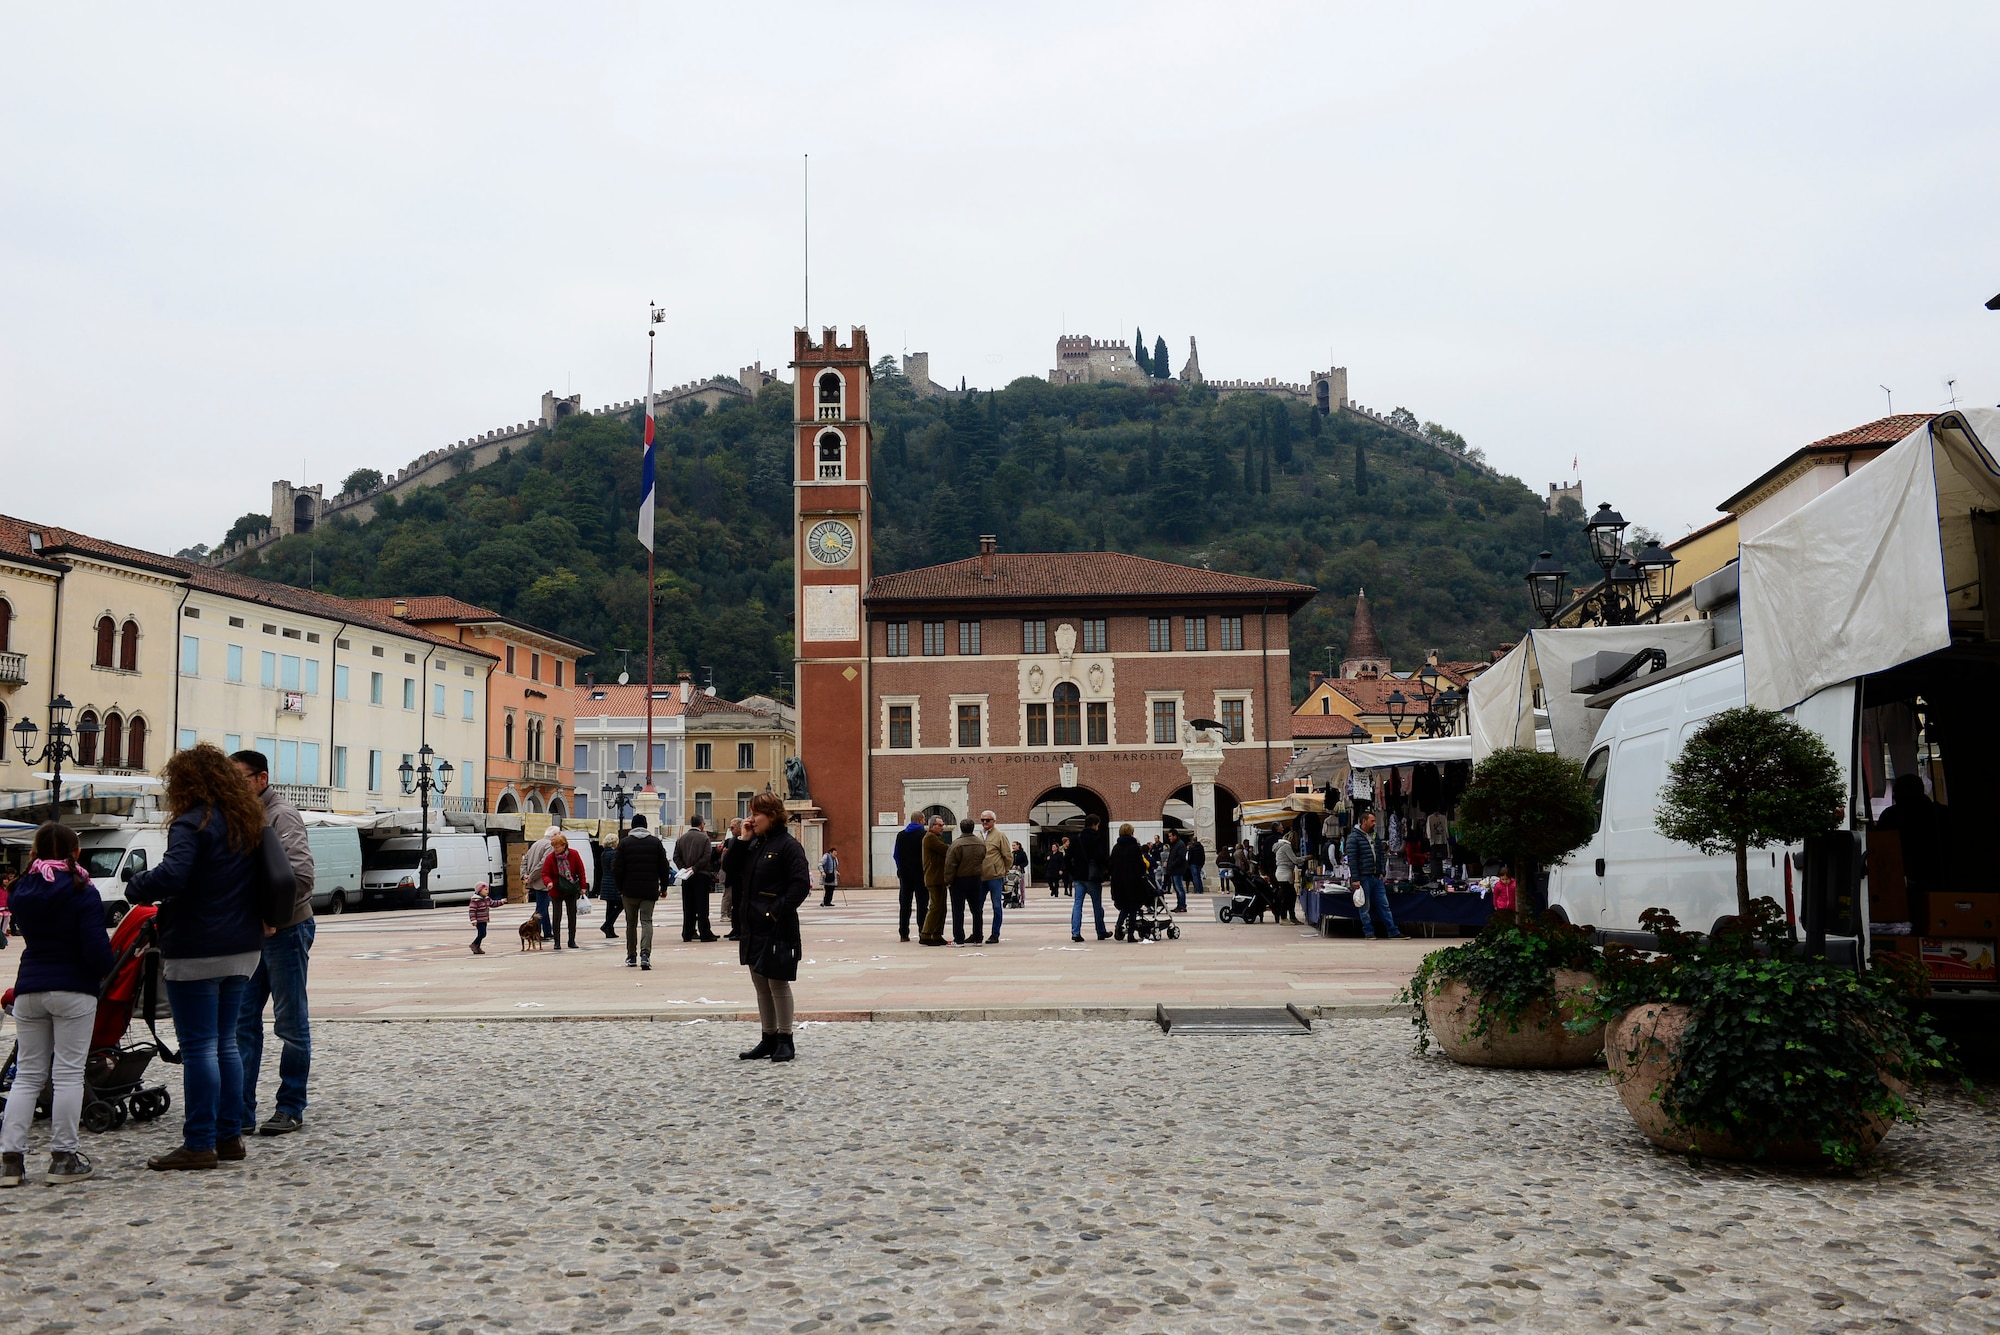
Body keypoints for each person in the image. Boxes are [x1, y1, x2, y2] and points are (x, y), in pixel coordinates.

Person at [126, 742, 265, 1171]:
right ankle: (229, 1137)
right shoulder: (247, 821)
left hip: (198, 946)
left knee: (200, 1047)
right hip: (243, 947)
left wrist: (137, 884)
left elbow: (175, 874)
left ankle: (199, 1142)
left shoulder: (192, 822)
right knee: (226, 1043)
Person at [0, 823, 114, 1188]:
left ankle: (10, 1161)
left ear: (33, 854)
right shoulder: (83, 889)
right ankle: (63, 1157)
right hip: (73, 987)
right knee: (67, 1072)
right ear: (76, 853)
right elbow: (96, 948)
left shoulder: (22, 890)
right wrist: (104, 972)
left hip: (30, 985)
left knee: (28, 1074)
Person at [229, 749, 315, 1139]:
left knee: (290, 1022)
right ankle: (240, 1110)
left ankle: (290, 1106)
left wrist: (271, 917)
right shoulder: (238, 815)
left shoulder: (281, 815)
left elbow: (300, 876)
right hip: (250, 933)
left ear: (261, 779)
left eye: (240, 779)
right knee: (242, 1023)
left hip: (286, 929)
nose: (233, 787)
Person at [736, 793, 811, 1063]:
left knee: (777, 981)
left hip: (775, 925)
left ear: (772, 815)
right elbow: (730, 872)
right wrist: (742, 841)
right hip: (752, 924)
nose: (751, 819)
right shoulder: (754, 844)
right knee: (759, 981)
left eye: (756, 814)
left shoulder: (788, 846)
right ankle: (768, 1037)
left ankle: (785, 1038)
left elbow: (800, 884)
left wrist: (776, 911)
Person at [1877, 773, 1948, 932]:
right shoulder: (1940, 813)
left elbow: (1879, 847)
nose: (1894, 796)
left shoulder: (1892, 815)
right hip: (1939, 878)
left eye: (1896, 792)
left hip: (1901, 882)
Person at [617, 815, 672, 967]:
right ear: (646, 826)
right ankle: (645, 955)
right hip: (649, 889)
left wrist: (620, 888)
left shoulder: (624, 843)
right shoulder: (655, 842)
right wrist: (664, 887)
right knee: (646, 921)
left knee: (631, 923)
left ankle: (631, 956)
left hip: (629, 890)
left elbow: (617, 869)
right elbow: (663, 867)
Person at [1344, 810, 1401, 941]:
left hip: (1376, 877)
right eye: (1372, 821)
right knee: (1365, 907)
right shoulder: (1353, 838)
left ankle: (1393, 931)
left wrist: (1381, 871)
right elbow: (1352, 859)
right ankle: (1369, 932)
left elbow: (1380, 854)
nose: (1375, 823)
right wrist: (1356, 879)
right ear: (1364, 821)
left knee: (1384, 905)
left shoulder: (1375, 836)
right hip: (1363, 877)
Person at [943, 819, 988, 945]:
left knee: (958, 911)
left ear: (961, 828)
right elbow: (983, 857)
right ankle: (978, 937)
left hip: (959, 880)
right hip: (976, 879)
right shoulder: (980, 843)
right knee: (977, 910)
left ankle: (959, 938)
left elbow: (950, 864)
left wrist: (948, 881)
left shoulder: (956, 844)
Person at [675, 815, 720, 944]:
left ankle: (687, 933)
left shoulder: (681, 839)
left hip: (686, 877)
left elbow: (676, 856)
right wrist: (694, 868)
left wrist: (684, 868)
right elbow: (707, 856)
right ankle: (705, 932)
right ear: (702, 824)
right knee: (702, 906)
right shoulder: (704, 838)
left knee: (688, 905)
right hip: (701, 875)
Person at [540, 831, 587, 950]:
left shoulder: (574, 854)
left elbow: (581, 871)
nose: (555, 849)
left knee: (572, 915)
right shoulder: (550, 858)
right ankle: (557, 941)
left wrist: (583, 887)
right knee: (557, 916)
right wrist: (548, 882)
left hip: (571, 889)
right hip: (556, 889)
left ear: (564, 845)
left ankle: (572, 940)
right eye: (554, 847)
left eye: (557, 847)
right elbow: (545, 873)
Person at [1069, 814, 1110, 943]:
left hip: (1079, 877)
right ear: (1094, 824)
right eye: (1098, 825)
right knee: (1097, 905)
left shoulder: (1076, 838)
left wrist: (1072, 872)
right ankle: (1100, 931)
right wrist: (1107, 867)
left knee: (1077, 905)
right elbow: (1100, 856)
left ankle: (1075, 933)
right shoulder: (1096, 838)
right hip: (1092, 877)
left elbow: (1067, 857)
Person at [892, 813, 929, 943]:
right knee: (922, 904)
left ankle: (903, 933)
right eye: (924, 820)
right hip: (920, 874)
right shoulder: (924, 835)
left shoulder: (901, 835)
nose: (924, 822)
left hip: (905, 874)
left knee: (905, 904)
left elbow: (895, 854)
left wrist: (900, 868)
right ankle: (922, 931)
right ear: (920, 820)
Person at [1109, 822, 1149, 942]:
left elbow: (1111, 865)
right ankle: (1131, 934)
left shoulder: (1116, 847)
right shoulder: (1135, 847)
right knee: (1132, 908)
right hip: (1133, 882)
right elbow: (1140, 864)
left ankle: (1118, 927)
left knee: (1124, 908)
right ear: (1131, 833)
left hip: (1118, 882)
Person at [521, 825, 558, 942]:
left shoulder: (536, 844)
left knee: (542, 907)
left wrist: (524, 875)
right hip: (543, 882)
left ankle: (547, 932)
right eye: (559, 834)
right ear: (555, 835)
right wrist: (531, 876)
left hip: (536, 881)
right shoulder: (550, 846)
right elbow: (543, 864)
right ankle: (532, 931)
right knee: (541, 909)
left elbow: (524, 860)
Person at [978, 811, 1010, 944]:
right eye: (983, 820)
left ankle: (995, 933)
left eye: (988, 820)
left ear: (994, 821)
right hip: (980, 876)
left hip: (995, 876)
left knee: (996, 905)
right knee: (977, 906)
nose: (985, 822)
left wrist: (1003, 870)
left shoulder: (1000, 835)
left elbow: (1007, 856)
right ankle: (976, 932)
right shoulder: (978, 836)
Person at [919, 815, 951, 947]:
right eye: (940, 825)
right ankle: (926, 934)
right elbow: (946, 850)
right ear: (932, 826)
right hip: (934, 878)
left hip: (940, 878)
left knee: (942, 908)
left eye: (943, 825)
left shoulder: (936, 837)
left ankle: (937, 934)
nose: (943, 827)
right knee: (935, 907)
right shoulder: (930, 838)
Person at [720, 819, 752, 942]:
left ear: (741, 827)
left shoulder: (749, 841)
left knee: (740, 906)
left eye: (733, 827)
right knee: (735, 905)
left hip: (742, 878)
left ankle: (740, 929)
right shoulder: (730, 841)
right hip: (733, 878)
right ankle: (735, 928)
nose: (731, 830)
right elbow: (726, 862)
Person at [1272, 827, 1301, 924]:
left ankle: (1291, 916)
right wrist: (1306, 858)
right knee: (1288, 896)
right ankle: (1284, 917)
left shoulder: (1280, 847)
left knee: (1291, 895)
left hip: (1281, 873)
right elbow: (1295, 860)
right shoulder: (1286, 847)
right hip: (1285, 874)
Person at [597, 838, 623, 939]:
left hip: (606, 882)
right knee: (621, 904)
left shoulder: (604, 853)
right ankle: (607, 925)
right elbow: (614, 868)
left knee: (610, 907)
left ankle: (609, 930)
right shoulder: (613, 854)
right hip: (613, 883)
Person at [1164, 830, 1190, 913]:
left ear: (1175, 836)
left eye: (1171, 836)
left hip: (1177, 870)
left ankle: (1182, 906)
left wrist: (1172, 864)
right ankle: (1179, 905)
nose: (1169, 838)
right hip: (1174, 870)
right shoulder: (1176, 844)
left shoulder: (1180, 845)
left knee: (1179, 888)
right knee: (1177, 888)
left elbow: (1180, 858)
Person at [468, 881, 494, 954]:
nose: (487, 891)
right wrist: (473, 920)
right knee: (482, 934)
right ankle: (474, 944)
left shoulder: (487, 899)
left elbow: (493, 903)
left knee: (481, 934)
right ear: (479, 890)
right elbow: (472, 911)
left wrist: (502, 902)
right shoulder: (475, 900)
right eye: (485, 889)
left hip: (484, 920)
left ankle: (477, 947)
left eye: (487, 889)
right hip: (479, 920)